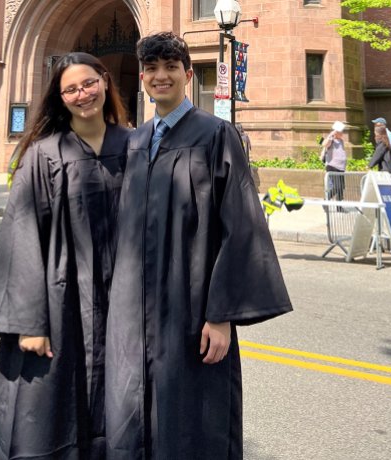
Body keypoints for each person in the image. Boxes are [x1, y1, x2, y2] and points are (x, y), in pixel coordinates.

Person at [105, 32, 292, 459]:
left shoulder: (215, 135)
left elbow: (240, 227)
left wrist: (222, 315)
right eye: (151, 69)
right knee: (136, 411)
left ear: (188, 74)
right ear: (142, 79)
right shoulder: (134, 142)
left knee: (193, 417)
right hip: (136, 310)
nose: (160, 76)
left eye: (170, 67)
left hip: (192, 309)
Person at [0, 52, 130, 460]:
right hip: (62, 300)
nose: (83, 94)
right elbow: (20, 239)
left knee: (120, 402)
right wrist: (29, 322)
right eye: (71, 89)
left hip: (123, 300)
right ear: (60, 98)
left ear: (105, 82)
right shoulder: (44, 156)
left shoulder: (135, 147)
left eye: (88, 84)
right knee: (52, 402)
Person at [320, 120, 347, 201]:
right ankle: (326, 200)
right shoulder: (331, 139)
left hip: (341, 167)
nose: (342, 133)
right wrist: (331, 135)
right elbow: (324, 144)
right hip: (332, 166)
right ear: (336, 131)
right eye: (341, 131)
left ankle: (339, 207)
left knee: (341, 188)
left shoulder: (341, 141)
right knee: (336, 186)